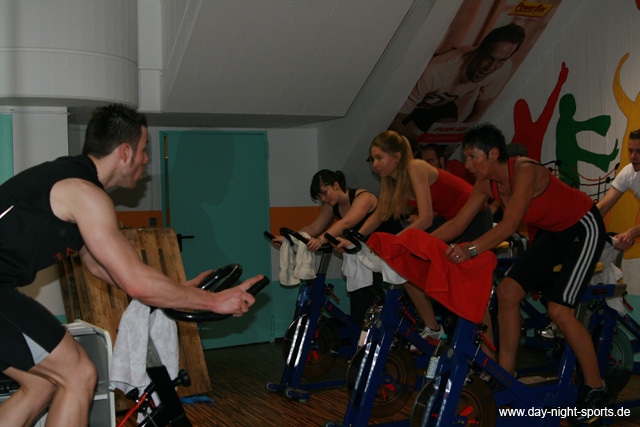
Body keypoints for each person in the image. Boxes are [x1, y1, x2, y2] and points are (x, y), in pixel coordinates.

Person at [0, 104, 264, 426]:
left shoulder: (73, 181)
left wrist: (175, 291)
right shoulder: (85, 193)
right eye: (144, 149)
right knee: (79, 374)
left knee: (42, 384)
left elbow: (102, 267)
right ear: (125, 153)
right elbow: (136, 283)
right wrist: (215, 301)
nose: (146, 160)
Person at [433, 123, 608, 419]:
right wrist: (417, 242)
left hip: (584, 227)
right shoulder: (485, 183)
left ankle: (596, 388)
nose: (467, 165)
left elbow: (510, 225)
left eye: (473, 157)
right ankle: (505, 374)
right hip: (554, 233)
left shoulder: (525, 170)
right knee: (507, 292)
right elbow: (457, 224)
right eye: (466, 158)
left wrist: (471, 249)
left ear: (493, 154)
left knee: (559, 310)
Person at [339, 130, 492, 345]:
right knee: (405, 266)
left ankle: (486, 349)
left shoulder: (415, 167)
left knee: (465, 286)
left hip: (475, 217)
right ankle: (433, 330)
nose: (375, 164)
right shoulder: (391, 182)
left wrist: (398, 242)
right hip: (450, 220)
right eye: (373, 159)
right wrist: (356, 239)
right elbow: (380, 214)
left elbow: (426, 219)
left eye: (380, 158)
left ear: (397, 156)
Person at [271, 169, 393, 324]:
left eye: (324, 193)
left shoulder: (364, 197)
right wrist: (289, 238)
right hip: (365, 255)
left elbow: (346, 223)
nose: (323, 199)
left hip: (388, 249)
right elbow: (314, 227)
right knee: (360, 301)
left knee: (368, 297)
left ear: (336, 185)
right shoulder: (332, 205)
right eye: (320, 196)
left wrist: (321, 241)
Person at [389, 23, 526, 145]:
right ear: (478, 51)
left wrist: (455, 143)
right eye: (489, 58)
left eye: (501, 61)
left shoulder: (502, 68)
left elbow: (476, 116)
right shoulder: (437, 70)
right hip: (411, 102)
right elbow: (393, 120)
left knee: (444, 140)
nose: (490, 68)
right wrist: (421, 143)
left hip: (442, 104)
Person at [597, 128, 640, 251]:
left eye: (639, 151)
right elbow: (602, 207)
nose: (633, 156)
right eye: (630, 151)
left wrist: (631, 233)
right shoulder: (629, 172)